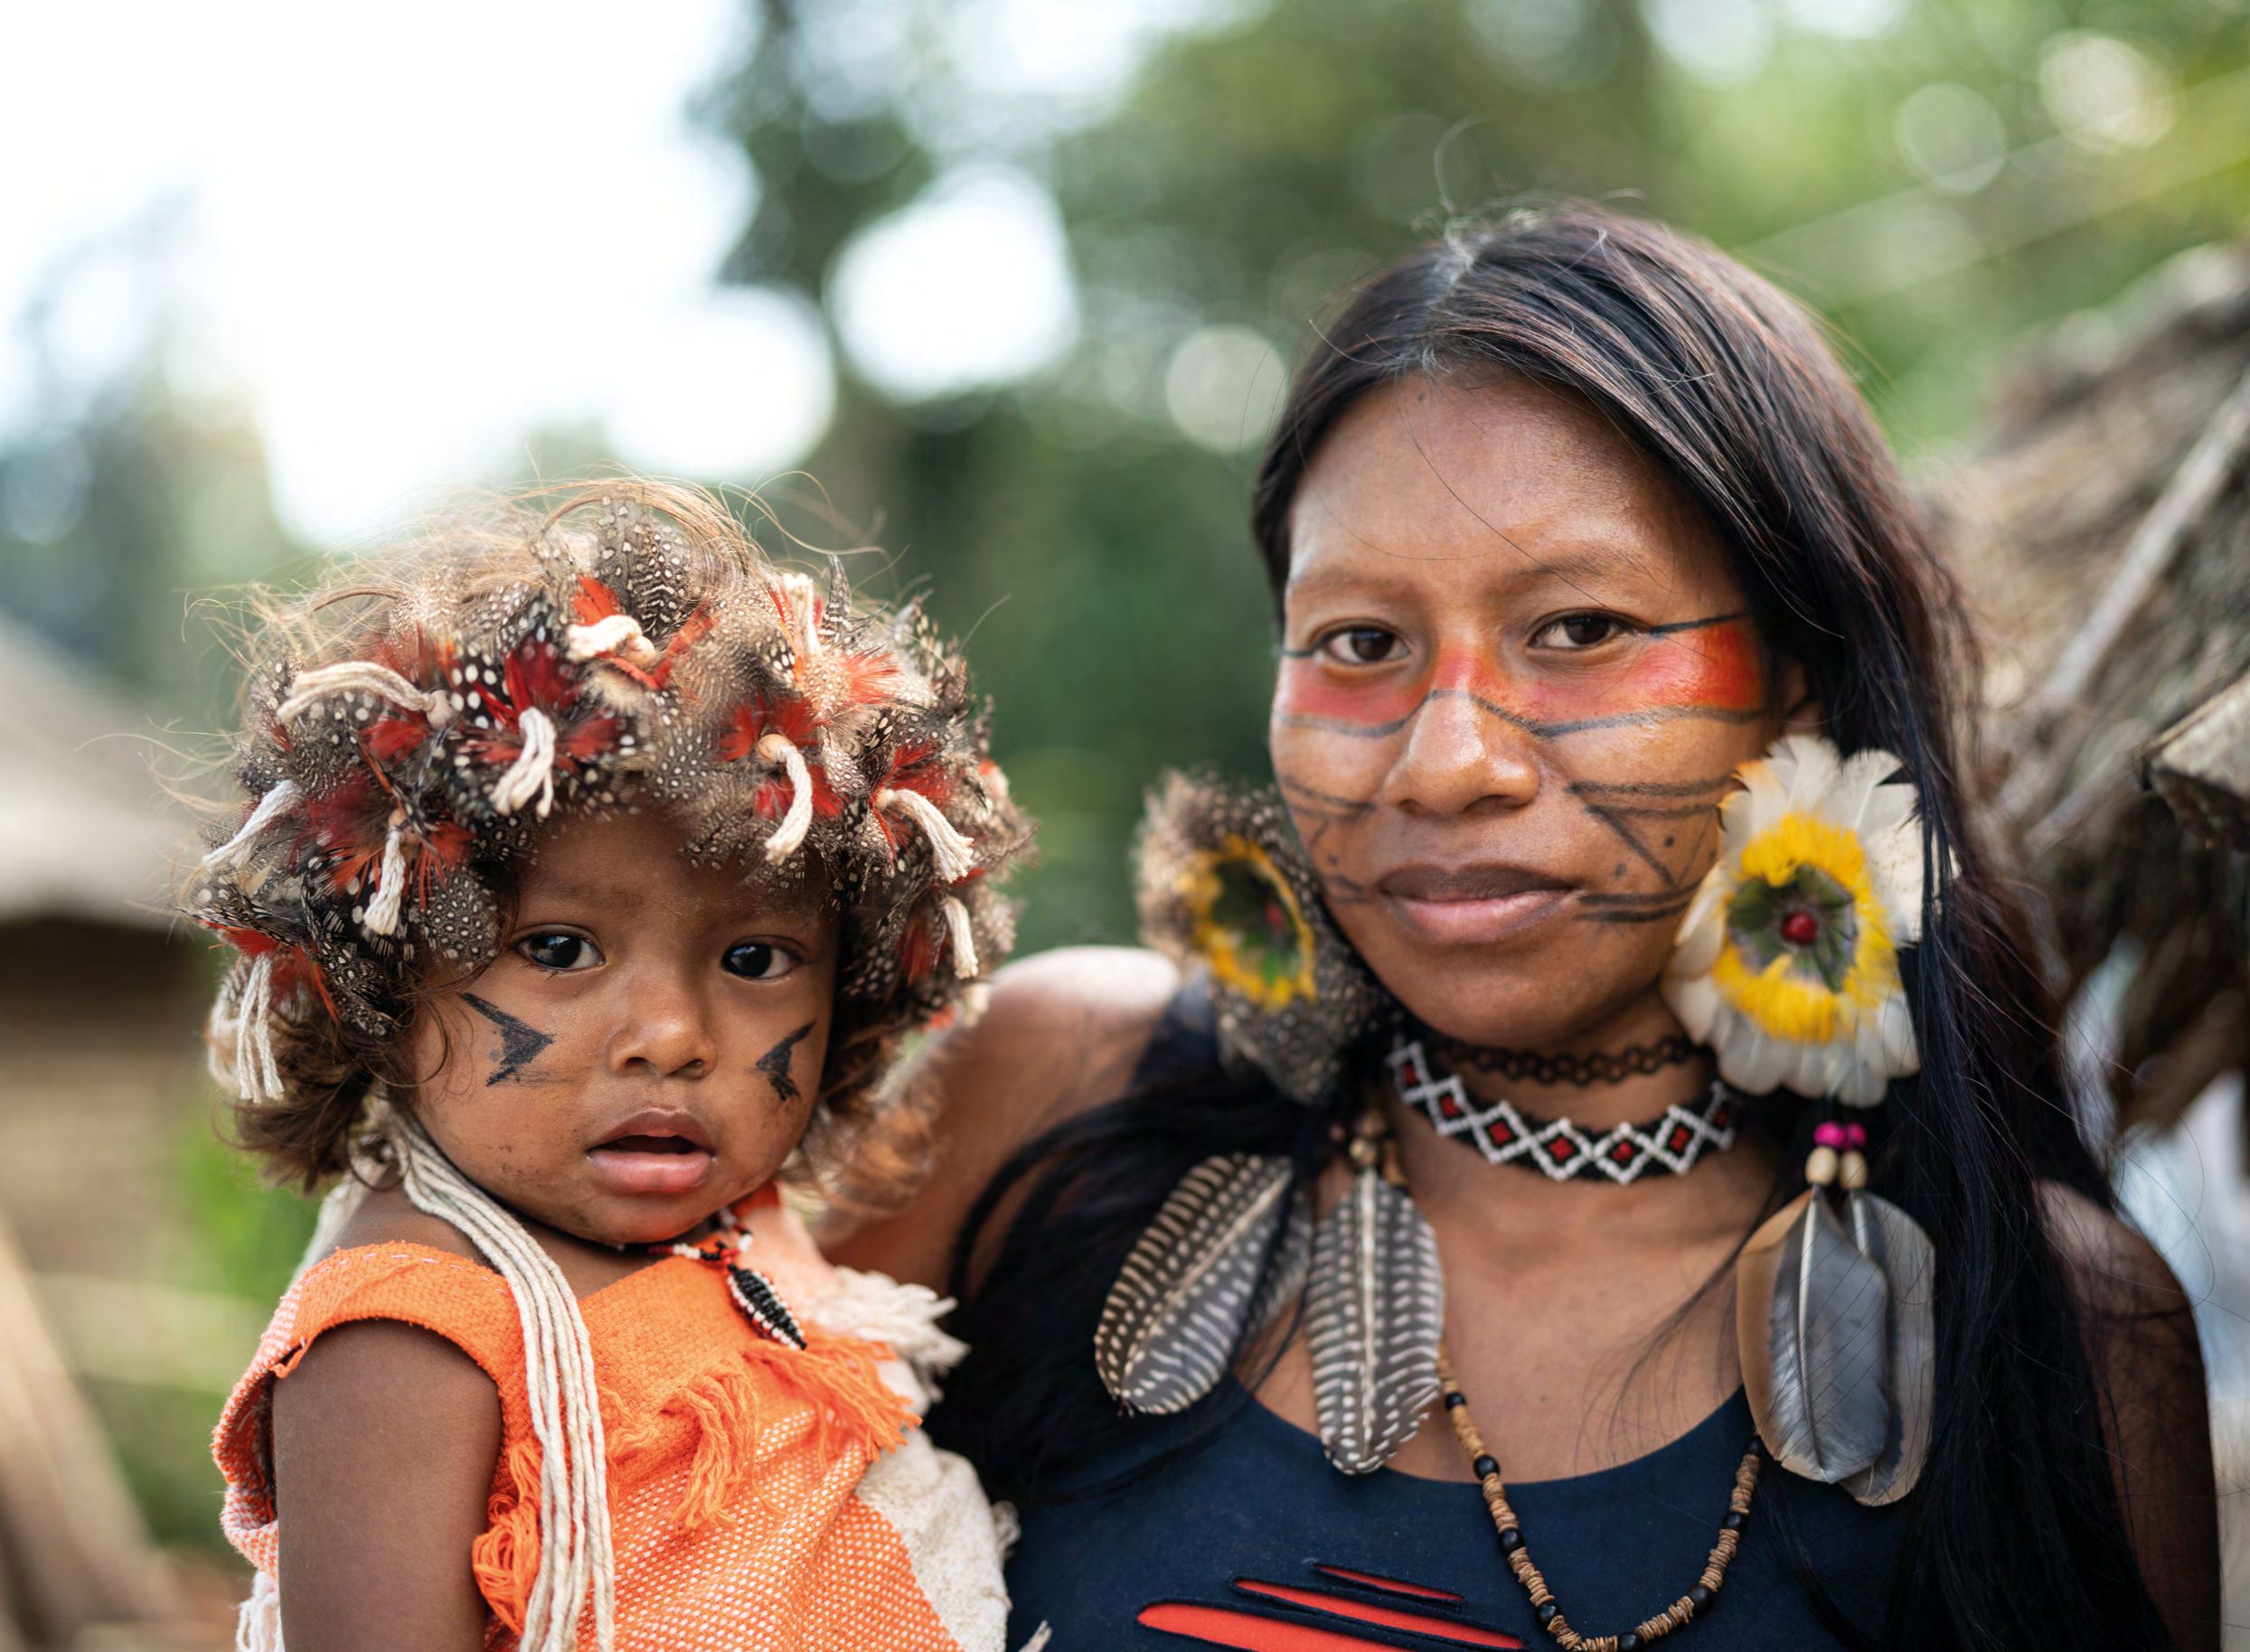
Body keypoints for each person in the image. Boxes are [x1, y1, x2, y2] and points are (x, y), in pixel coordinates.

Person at [834, 206, 2222, 1650]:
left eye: (1576, 629)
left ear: (1797, 678)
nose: (1447, 763)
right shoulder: (1060, 1091)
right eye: (1359, 644)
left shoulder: (2054, 1333)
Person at [189, 482, 1032, 1651]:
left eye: (754, 957)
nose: (673, 1037)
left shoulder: (745, 1229)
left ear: (850, 992)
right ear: (384, 981)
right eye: (557, 948)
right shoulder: (407, 1341)